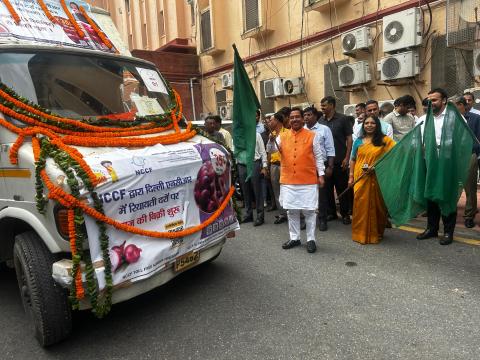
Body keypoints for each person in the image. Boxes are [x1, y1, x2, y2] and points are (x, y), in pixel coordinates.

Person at [279, 107, 326, 253]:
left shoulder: (313, 135)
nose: (294, 120)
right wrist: (269, 142)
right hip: (288, 180)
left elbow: (318, 156)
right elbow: (272, 150)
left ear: (302, 118)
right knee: (291, 211)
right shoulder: (282, 136)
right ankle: (295, 238)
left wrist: (321, 174)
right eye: (292, 117)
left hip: (307, 180)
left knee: (309, 212)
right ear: (289, 120)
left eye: (297, 117)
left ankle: (311, 239)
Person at [416, 88, 457, 245]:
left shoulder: (454, 118)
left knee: (446, 196)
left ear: (444, 100)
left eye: (434, 100)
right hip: (429, 162)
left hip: (447, 163)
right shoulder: (423, 119)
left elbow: (460, 140)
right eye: (429, 100)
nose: (431, 103)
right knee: (431, 196)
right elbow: (418, 141)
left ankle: (448, 232)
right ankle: (431, 229)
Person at [349, 115, 396, 244]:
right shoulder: (358, 141)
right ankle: (360, 234)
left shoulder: (385, 140)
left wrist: (377, 167)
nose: (369, 125)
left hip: (378, 178)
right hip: (360, 178)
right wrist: (351, 176)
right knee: (359, 205)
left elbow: (394, 156)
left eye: (372, 123)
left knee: (378, 207)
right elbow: (353, 159)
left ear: (377, 125)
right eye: (366, 123)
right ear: (363, 125)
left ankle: (376, 233)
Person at [318, 96, 353, 224]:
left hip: (340, 160)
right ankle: (331, 213)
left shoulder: (343, 119)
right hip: (325, 162)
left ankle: (345, 214)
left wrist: (347, 157)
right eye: (321, 106)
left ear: (332, 105)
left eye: (324, 105)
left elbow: (349, 139)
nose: (322, 108)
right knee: (327, 188)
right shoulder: (320, 121)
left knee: (341, 188)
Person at [304, 106, 335, 231]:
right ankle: (306, 220)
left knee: (321, 194)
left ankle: (322, 219)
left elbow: (330, 149)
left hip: (320, 165)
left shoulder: (324, 129)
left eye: (309, 115)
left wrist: (330, 167)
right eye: (305, 115)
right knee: (306, 194)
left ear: (316, 116)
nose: (306, 117)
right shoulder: (301, 130)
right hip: (305, 167)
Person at [454, 96, 480, 228]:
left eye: (455, 105)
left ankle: (469, 216)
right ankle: (449, 212)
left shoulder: (475, 119)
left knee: (469, 188)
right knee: (452, 185)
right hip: (452, 157)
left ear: (461, 105)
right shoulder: (450, 121)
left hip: (469, 155)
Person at [237, 129, 268, 227]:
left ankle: (260, 216)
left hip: (254, 163)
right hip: (241, 165)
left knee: (257, 190)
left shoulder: (256, 134)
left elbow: (263, 151)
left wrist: (264, 166)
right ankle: (249, 214)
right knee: (245, 191)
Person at [266, 112, 288, 224]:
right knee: (277, 190)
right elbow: (269, 151)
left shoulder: (288, 133)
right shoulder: (272, 134)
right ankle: (282, 213)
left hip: (285, 165)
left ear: (278, 121)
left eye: (271, 120)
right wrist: (268, 166)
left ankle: (292, 213)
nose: (269, 122)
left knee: (288, 190)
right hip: (274, 165)